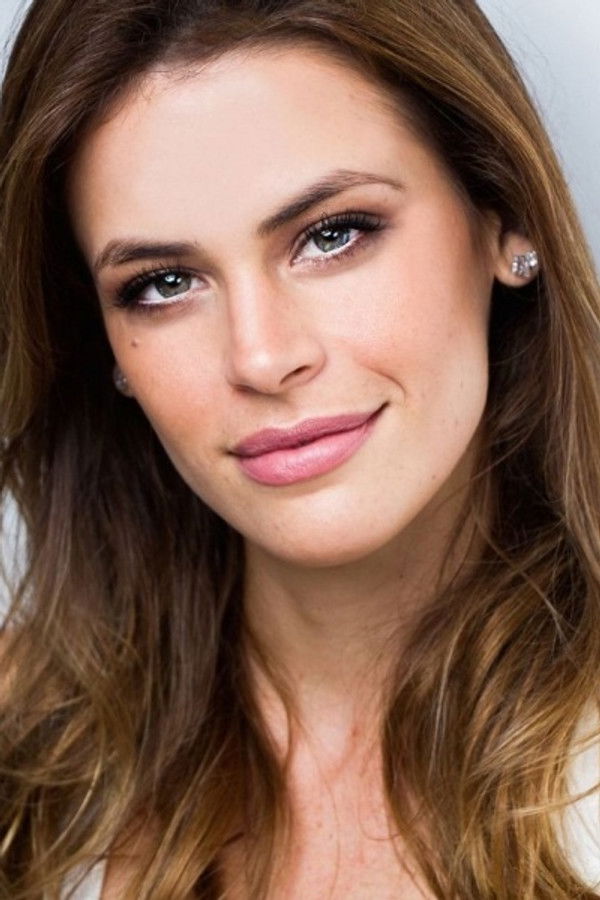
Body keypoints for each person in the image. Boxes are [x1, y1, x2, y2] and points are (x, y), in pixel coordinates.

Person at [1, 0, 599, 897]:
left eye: (332, 234)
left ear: (503, 218)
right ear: (103, 340)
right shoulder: (23, 748)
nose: (262, 357)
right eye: (164, 284)